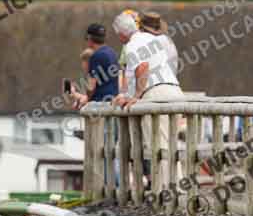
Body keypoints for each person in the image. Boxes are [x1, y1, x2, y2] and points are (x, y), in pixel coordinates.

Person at [112, 10, 184, 184]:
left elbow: (142, 67)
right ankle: (176, 187)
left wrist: (136, 96)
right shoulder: (153, 39)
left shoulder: (132, 44)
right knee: (170, 144)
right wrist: (127, 94)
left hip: (156, 93)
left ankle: (168, 190)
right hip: (174, 90)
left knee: (158, 147)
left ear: (122, 34)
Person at [72, 23, 119, 108]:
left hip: (100, 104)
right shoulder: (112, 52)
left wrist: (86, 98)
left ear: (89, 39)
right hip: (113, 101)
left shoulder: (96, 56)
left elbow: (91, 86)